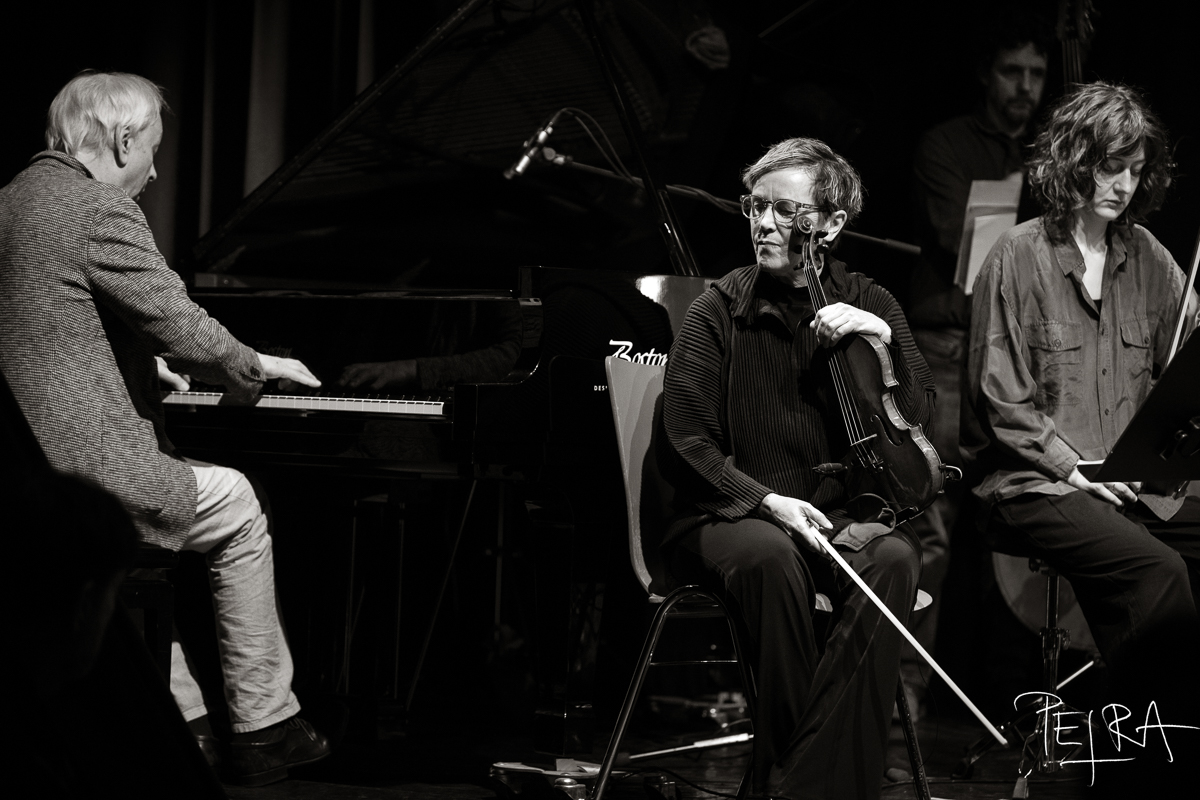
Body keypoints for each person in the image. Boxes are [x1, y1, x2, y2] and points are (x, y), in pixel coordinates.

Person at [0, 71, 330, 786]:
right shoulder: (96, 206)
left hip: (23, 475)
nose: (153, 172)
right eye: (152, 149)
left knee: (152, 549)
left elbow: (40, 325)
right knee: (239, 502)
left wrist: (139, 367)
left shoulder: (11, 201)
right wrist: (252, 366)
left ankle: (187, 727)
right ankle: (265, 725)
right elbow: (183, 325)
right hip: (87, 477)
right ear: (123, 139)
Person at [660, 137, 933, 799]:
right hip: (732, 514)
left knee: (895, 558)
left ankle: (789, 785)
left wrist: (882, 343)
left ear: (830, 224)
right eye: (755, 207)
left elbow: (919, 414)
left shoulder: (871, 302)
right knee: (772, 559)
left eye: (784, 210)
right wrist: (767, 502)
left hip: (836, 517)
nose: (763, 223)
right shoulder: (717, 310)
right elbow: (688, 440)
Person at [963, 81, 1200, 785]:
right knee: (1157, 572)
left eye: (1135, 171)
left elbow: (1185, 362)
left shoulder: (1149, 255)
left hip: (1127, 482)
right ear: (1075, 161)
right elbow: (1002, 403)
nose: (1123, 185)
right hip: (1034, 482)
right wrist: (1077, 468)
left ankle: (1149, 738)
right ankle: (1151, 756)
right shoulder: (1015, 255)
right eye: (1110, 167)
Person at [902, 12, 1051, 712]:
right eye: (1012, 71)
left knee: (1022, 527)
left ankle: (1019, 704)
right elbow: (969, 247)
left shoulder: (1051, 153)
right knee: (930, 529)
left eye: (1037, 74)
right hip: (949, 346)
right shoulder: (948, 145)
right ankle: (902, 711)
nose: (1026, 87)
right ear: (986, 76)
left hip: (1023, 355)